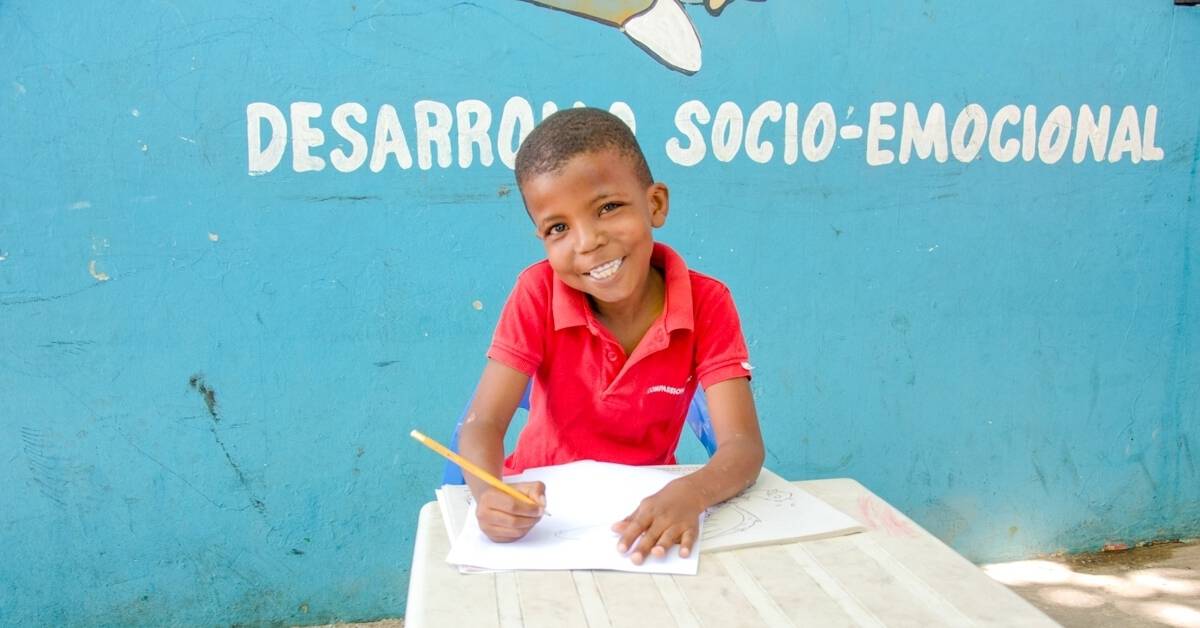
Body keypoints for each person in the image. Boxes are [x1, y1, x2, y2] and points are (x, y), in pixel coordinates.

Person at [458, 107, 763, 565]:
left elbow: (743, 447)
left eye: (608, 208)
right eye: (558, 228)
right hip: (545, 518)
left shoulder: (707, 302)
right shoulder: (537, 293)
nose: (586, 242)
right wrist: (490, 494)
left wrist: (692, 492)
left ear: (655, 205)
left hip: (646, 511)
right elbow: (482, 425)